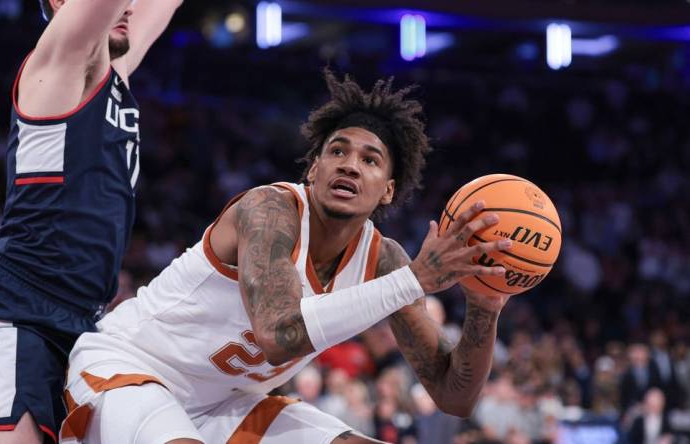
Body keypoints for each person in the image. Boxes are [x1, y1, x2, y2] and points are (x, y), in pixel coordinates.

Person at [62, 70, 514, 443]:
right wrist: (413, 282)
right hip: (131, 371)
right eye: (337, 151)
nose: (350, 165)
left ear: (388, 190)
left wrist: (484, 306)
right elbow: (277, 333)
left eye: (371, 160)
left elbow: (455, 397)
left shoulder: (384, 260)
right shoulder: (268, 210)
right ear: (314, 168)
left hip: (225, 405)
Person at [0, 0, 183, 442]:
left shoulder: (117, 71)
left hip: (87, 331)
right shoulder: (58, 61)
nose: (131, 6)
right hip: (15, 314)